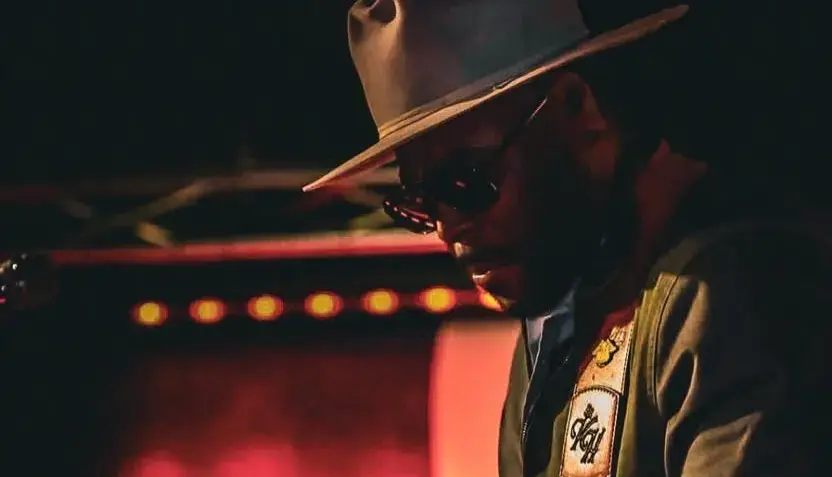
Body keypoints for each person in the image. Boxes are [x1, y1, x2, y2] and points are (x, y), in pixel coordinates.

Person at [304, 0, 831, 475]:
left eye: (466, 181)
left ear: (577, 107)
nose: (447, 225)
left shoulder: (733, 289)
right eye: (419, 202)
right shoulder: (561, 308)